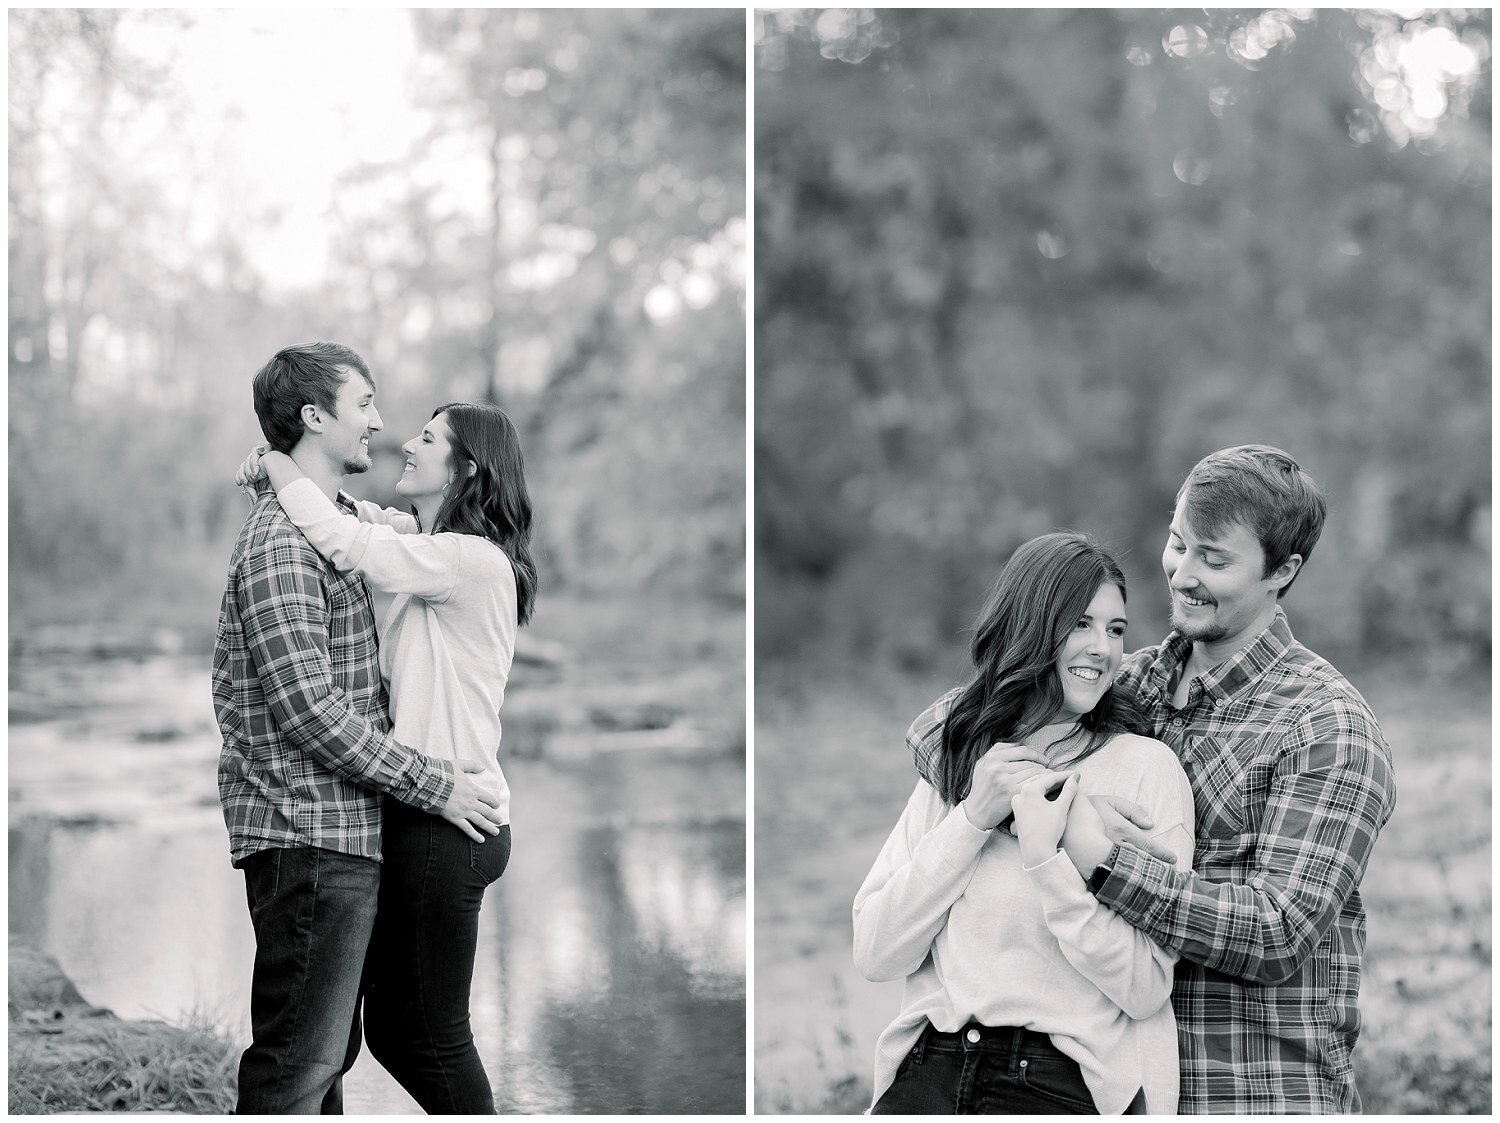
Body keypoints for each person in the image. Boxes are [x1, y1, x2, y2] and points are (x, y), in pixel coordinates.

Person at [912, 445, 1398, 1113]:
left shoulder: (1327, 725)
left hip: (1255, 1090)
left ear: (1282, 570)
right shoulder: (1129, 682)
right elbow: (939, 730)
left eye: (1215, 559)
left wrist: (1104, 857)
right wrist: (1049, 804)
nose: (1183, 573)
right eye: (1178, 543)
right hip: (1120, 1086)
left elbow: (1277, 931)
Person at [213, 342, 507, 1114]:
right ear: (316, 416)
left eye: (427, 438)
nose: (390, 429)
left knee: (348, 1050)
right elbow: (309, 706)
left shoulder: (455, 556)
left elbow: (350, 533)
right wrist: (274, 468)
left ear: (467, 470)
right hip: (321, 826)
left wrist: (274, 466)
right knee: (311, 1058)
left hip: (405, 821)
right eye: (366, 406)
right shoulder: (290, 538)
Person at [854, 533, 1196, 1114]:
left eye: (1115, 629)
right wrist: (972, 819)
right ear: (1032, 627)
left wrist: (1049, 864)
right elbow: (876, 952)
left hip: (1058, 1076)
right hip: (929, 1069)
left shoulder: (1145, 769)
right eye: (1081, 624)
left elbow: (1144, 986)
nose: (1103, 648)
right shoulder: (969, 759)